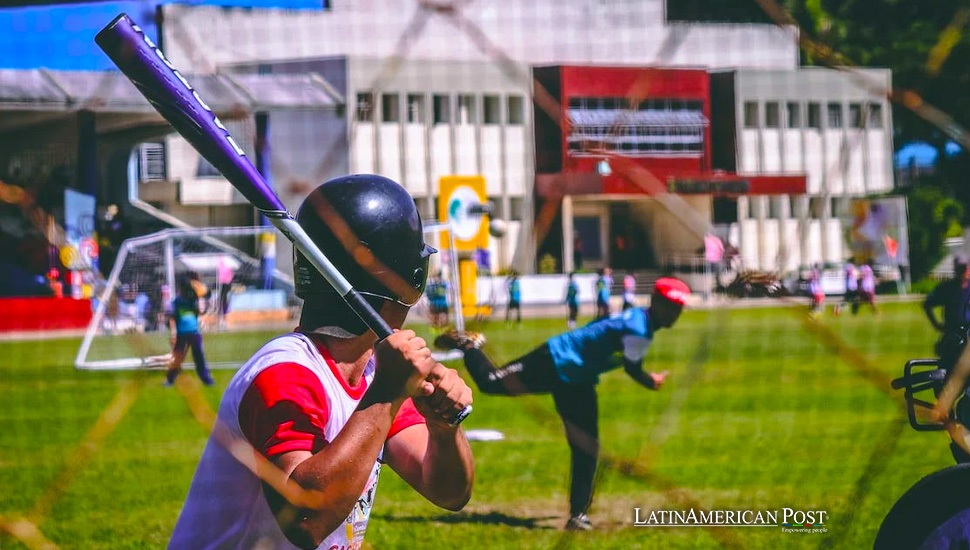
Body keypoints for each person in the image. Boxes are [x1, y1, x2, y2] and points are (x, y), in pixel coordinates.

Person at [168, 175, 474, 550]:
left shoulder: (374, 374)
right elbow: (304, 520)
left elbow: (448, 492)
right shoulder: (285, 375)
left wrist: (443, 428)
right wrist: (386, 396)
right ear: (411, 280)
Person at [434, 277, 689, 531]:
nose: (674, 314)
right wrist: (651, 381)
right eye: (669, 306)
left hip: (578, 378)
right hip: (555, 360)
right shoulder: (639, 330)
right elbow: (633, 369)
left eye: (677, 309)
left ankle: (579, 515)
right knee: (490, 382)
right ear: (655, 301)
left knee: (587, 448)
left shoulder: (638, 318)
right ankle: (469, 344)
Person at [165, 273, 214, 387]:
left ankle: (206, 379)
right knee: (177, 358)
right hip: (181, 334)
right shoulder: (177, 302)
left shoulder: (194, 300)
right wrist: (173, 333)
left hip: (194, 333)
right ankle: (170, 380)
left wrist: (197, 285)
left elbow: (207, 295)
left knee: (199, 357)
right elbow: (172, 318)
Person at [925, 255, 970, 355]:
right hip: (952, 333)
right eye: (960, 268)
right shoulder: (947, 288)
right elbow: (928, 304)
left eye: (965, 268)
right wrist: (936, 324)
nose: (963, 271)